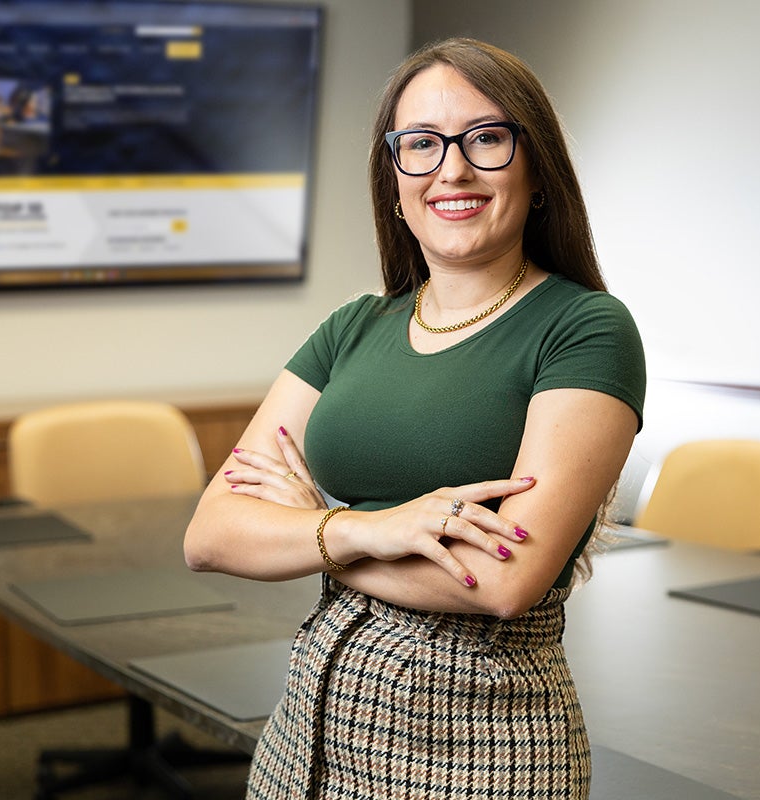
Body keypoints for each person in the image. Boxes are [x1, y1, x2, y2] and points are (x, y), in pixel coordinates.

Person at [184, 37, 645, 799]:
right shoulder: (354, 326)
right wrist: (368, 528)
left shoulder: (586, 328)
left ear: (538, 171)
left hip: (477, 745)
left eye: (486, 139)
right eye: (421, 145)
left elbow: (503, 579)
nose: (451, 169)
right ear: (394, 176)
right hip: (305, 733)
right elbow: (211, 534)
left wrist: (310, 532)